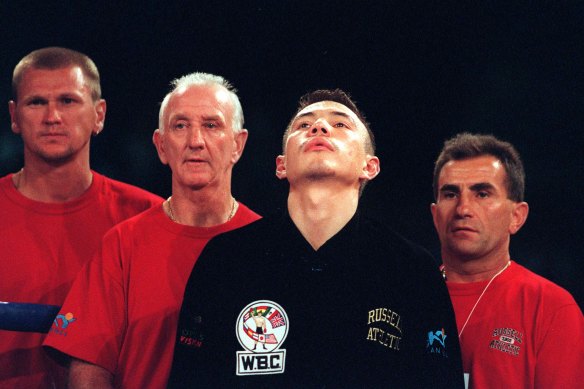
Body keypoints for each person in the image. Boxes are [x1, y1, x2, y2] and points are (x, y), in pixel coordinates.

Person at [169, 89, 464, 388]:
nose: (319, 128)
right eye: (303, 125)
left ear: (369, 166)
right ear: (281, 166)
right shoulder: (225, 260)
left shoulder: (412, 271)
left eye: (340, 125)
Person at [42, 72, 261, 389]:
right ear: (161, 146)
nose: (195, 141)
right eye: (180, 126)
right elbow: (88, 370)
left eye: (211, 125)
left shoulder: (268, 244)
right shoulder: (123, 243)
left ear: (238, 145)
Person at [0, 47, 162, 389]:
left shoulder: (148, 217)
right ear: (14, 116)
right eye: (36, 102)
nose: (52, 117)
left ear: (99, 114)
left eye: (68, 101)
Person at [430, 133, 584, 388]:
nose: (463, 209)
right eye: (450, 194)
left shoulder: (552, 309)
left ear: (517, 216)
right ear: (435, 215)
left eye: (482, 193)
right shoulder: (408, 297)